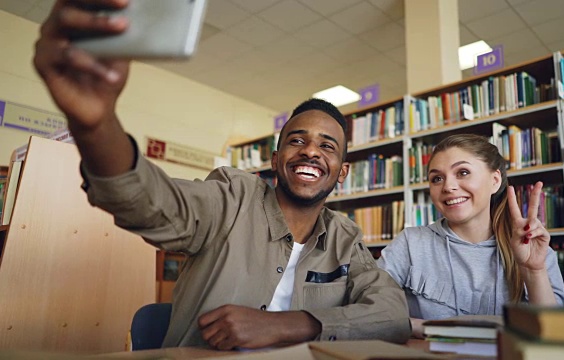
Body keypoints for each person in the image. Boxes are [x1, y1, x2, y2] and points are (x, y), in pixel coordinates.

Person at [33, 0, 410, 350]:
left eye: (327, 146)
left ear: (342, 172)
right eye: (298, 141)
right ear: (277, 159)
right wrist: (96, 126)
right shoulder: (232, 196)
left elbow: (392, 315)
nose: (311, 150)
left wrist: (287, 325)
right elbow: (152, 204)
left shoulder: (345, 238)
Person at [377, 134, 564, 338]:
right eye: (437, 178)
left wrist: (534, 270)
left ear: (495, 180)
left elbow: (554, 335)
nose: (448, 187)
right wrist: (417, 326)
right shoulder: (411, 243)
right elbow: (369, 314)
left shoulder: (530, 246)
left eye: (463, 172)